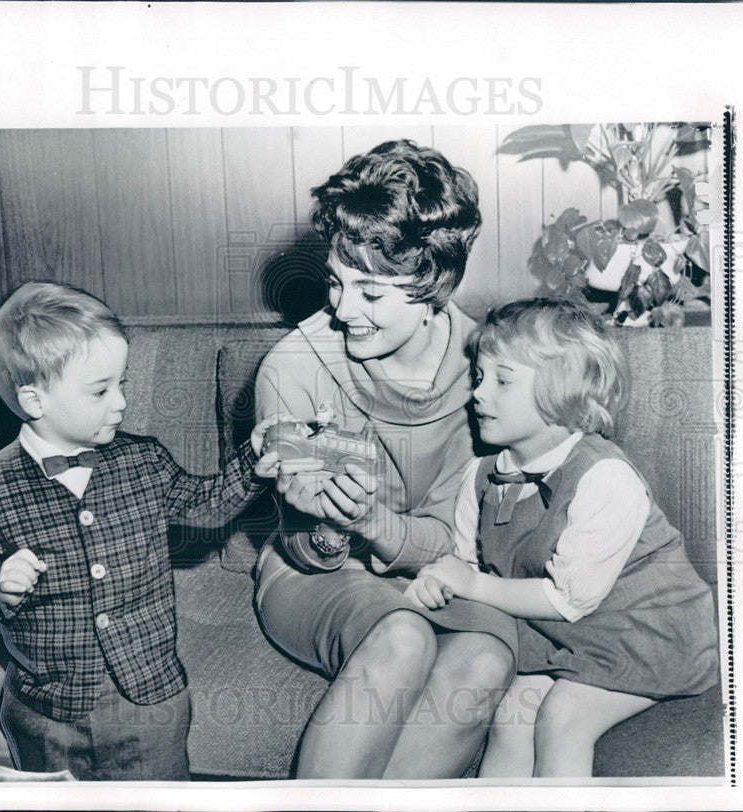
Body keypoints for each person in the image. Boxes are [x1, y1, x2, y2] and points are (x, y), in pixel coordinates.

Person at [253, 140, 518, 779]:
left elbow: (460, 543)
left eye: (371, 293)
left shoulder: (490, 377)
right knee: (402, 636)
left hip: (443, 569)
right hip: (316, 577)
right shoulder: (295, 365)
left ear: (434, 285)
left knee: (486, 657)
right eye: (336, 284)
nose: (343, 311)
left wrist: (376, 523)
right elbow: (303, 548)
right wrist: (321, 522)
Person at [0, 281, 272, 781]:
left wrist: (254, 460)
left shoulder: (144, 460)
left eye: (122, 382)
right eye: (101, 390)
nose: (121, 402)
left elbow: (206, 505)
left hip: (149, 696)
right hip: (44, 707)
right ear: (35, 399)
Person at [405, 298, 719, 777]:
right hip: (566, 640)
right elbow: (469, 565)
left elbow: (568, 599)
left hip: (645, 634)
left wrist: (473, 586)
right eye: (479, 377)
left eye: (502, 380)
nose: (478, 394)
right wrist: (442, 584)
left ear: (561, 390)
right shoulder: (480, 476)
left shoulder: (605, 477)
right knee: (511, 716)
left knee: (563, 718)